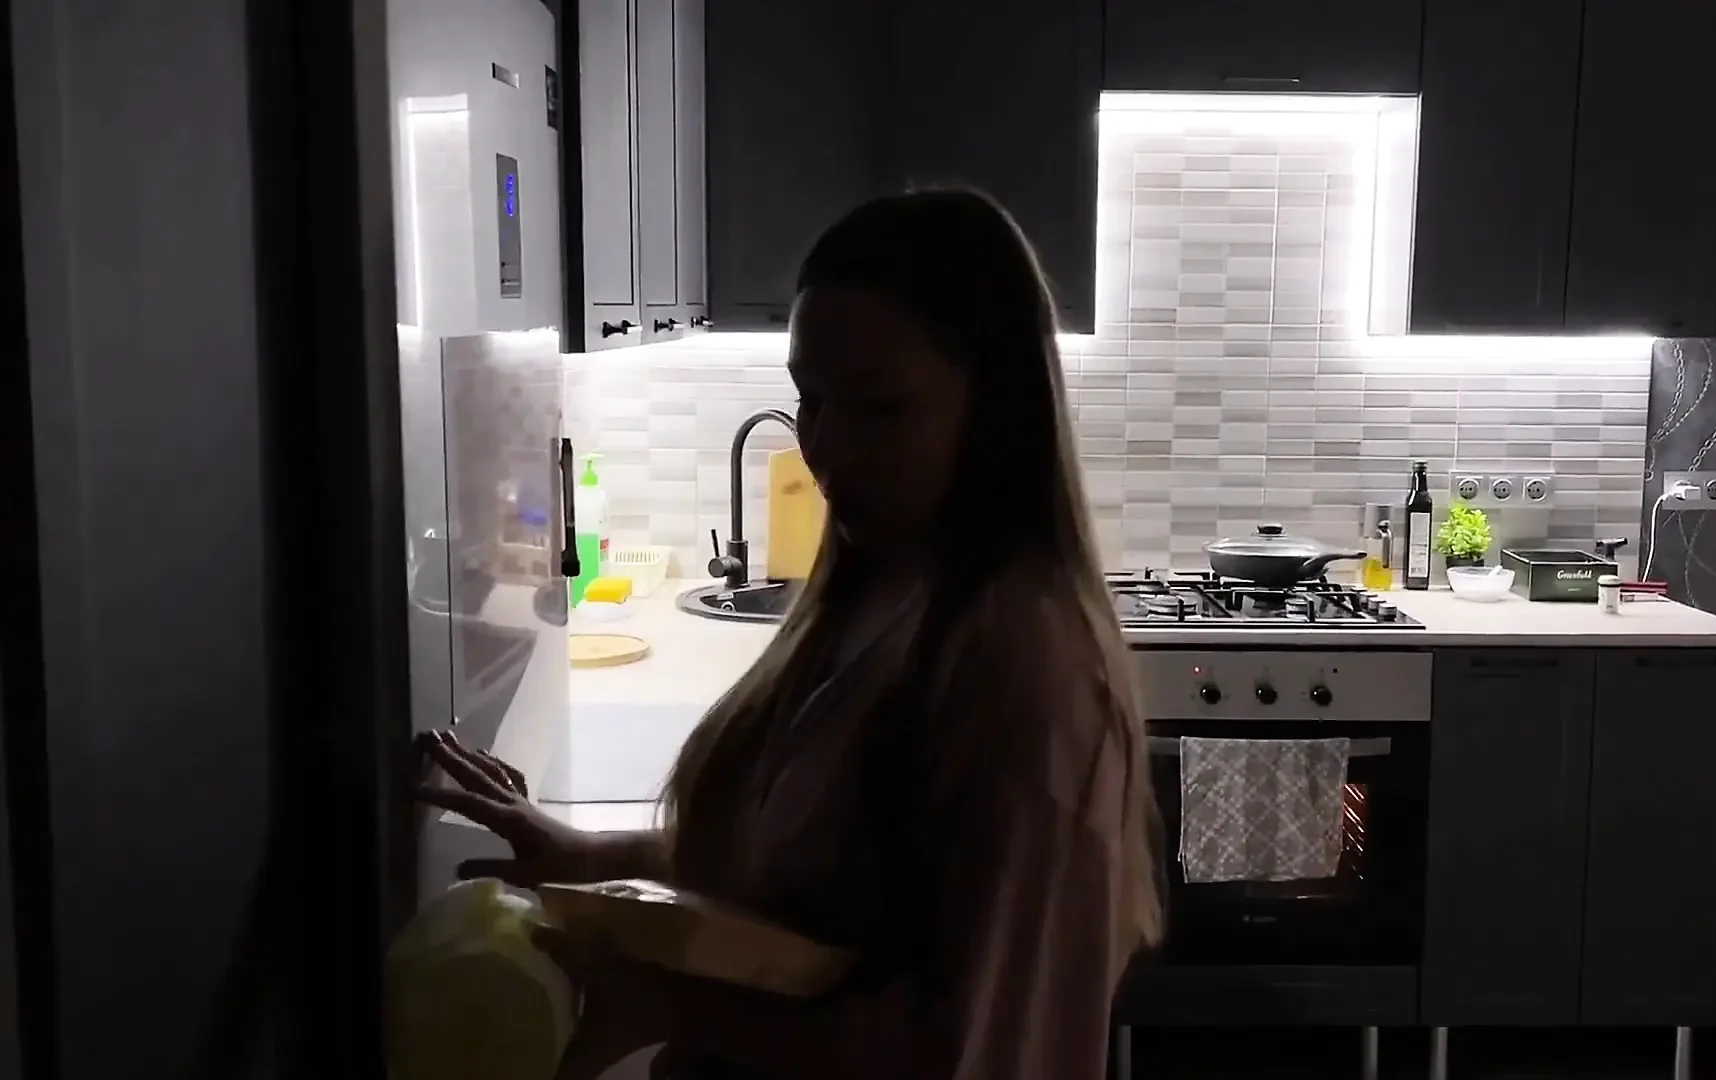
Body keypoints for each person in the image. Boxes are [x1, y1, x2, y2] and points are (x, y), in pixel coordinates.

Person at [418, 187, 1162, 1080]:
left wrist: (671, 1005)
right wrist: (590, 856)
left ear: (996, 411)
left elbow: (970, 1045)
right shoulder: (879, 589)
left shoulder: (1022, 671)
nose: (825, 448)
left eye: (879, 409)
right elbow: (806, 877)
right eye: (810, 399)